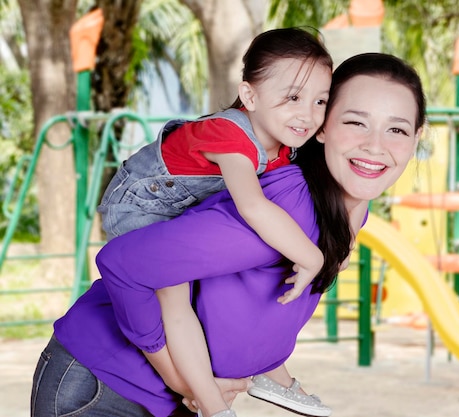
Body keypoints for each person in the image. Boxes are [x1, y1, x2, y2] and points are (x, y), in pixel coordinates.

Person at [30, 52, 427, 417]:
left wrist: (271, 373)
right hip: (106, 387)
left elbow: (251, 304)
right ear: (322, 127)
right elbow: (122, 266)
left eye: (396, 129)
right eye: (356, 122)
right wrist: (183, 381)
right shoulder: (288, 206)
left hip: (175, 400)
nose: (375, 146)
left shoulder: (350, 206)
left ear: (417, 138)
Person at [96, 27, 333, 416]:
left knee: (235, 282)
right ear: (250, 96)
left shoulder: (282, 141)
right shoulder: (230, 134)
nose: (308, 114)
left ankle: (270, 373)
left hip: (186, 205)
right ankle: (210, 405)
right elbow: (253, 207)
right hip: (142, 203)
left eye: (320, 100)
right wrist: (313, 258)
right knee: (176, 298)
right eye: (293, 97)